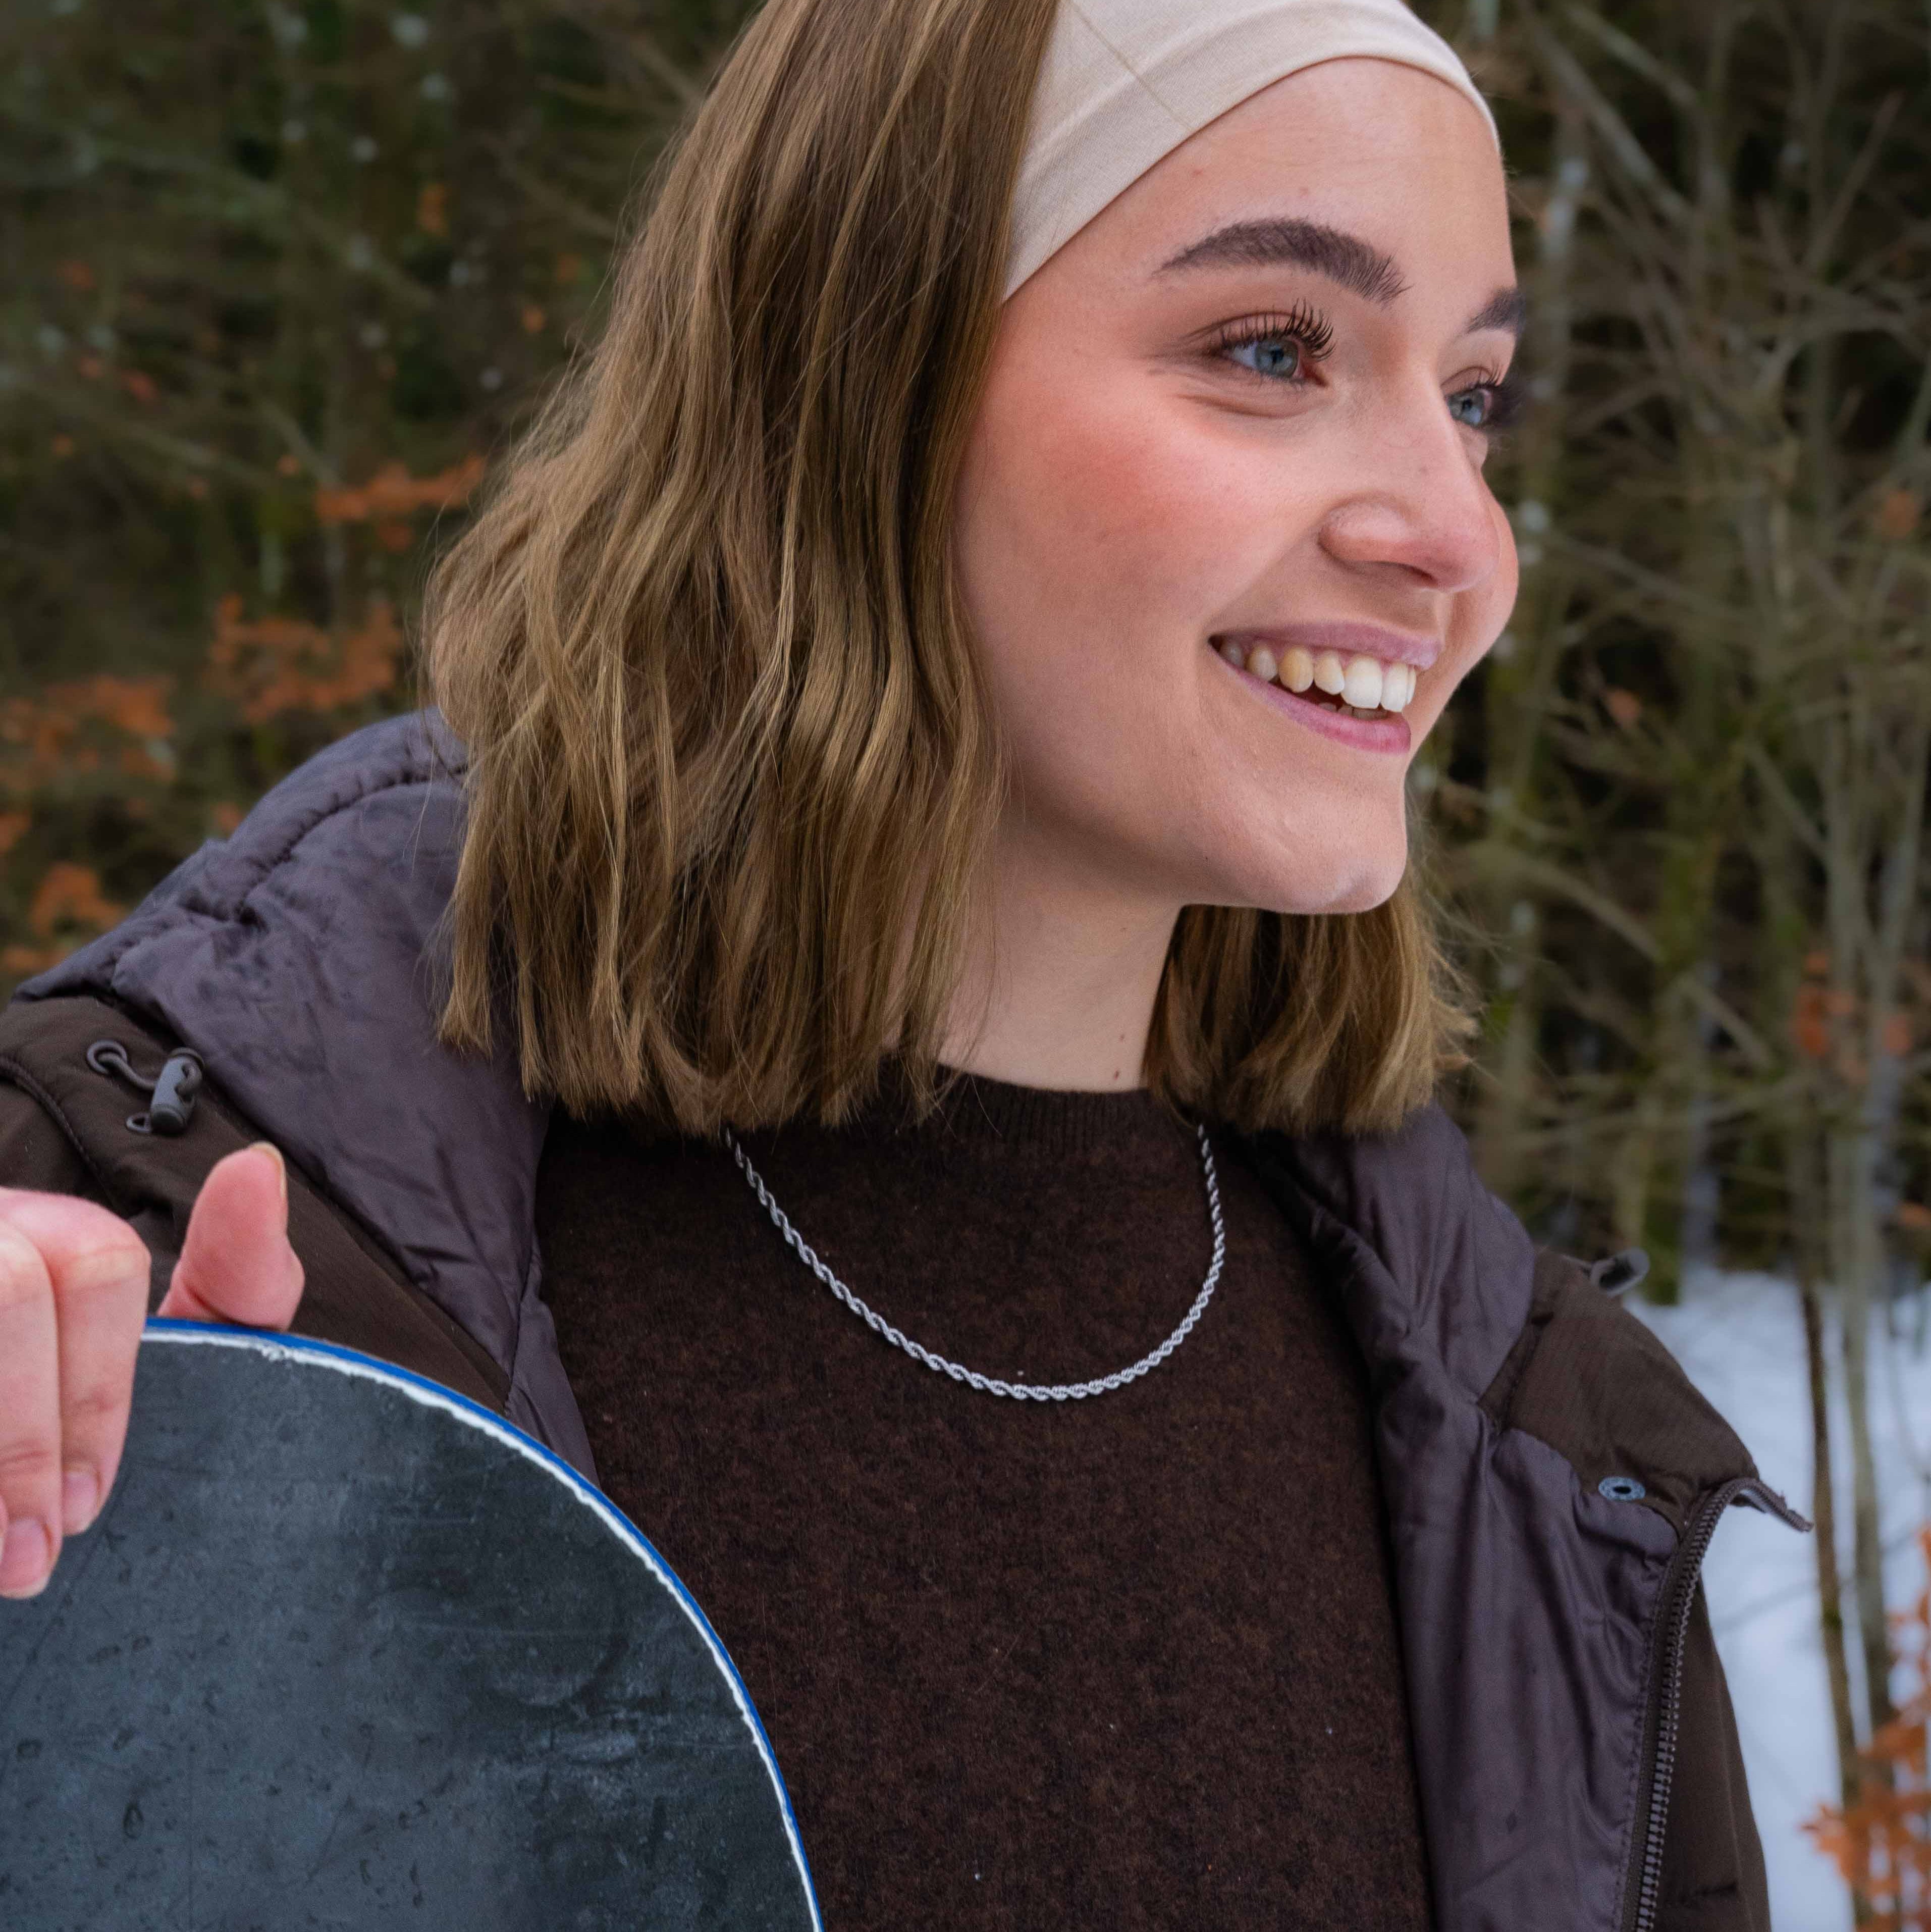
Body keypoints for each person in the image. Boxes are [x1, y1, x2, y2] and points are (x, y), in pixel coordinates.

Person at [0, 1, 1801, 1925]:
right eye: (1273, 349)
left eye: (1469, 395)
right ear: (860, 381)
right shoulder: (153, 1261)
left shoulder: (1536, 1471)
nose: (1456, 536)